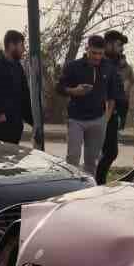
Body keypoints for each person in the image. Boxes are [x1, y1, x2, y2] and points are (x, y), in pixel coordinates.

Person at [57, 35, 113, 173]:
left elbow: (114, 94)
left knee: (91, 161)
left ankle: (89, 191)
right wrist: (74, 91)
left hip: (98, 119)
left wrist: (106, 118)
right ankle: (70, 190)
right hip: (76, 119)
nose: (97, 57)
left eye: (100, 54)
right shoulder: (73, 66)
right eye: (94, 53)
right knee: (73, 158)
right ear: (87, 48)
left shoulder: (108, 67)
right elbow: (59, 88)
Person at [0, 31, 33, 144]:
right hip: (1, 128)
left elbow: (24, 96)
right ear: (11, 45)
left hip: (16, 127)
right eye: (21, 45)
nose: (23, 49)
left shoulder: (17, 67)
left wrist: (34, 121)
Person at [94, 30, 131, 184]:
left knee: (110, 152)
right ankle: (97, 181)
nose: (121, 48)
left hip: (114, 114)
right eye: (119, 45)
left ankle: (99, 180)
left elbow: (121, 90)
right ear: (108, 44)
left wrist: (122, 113)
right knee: (105, 152)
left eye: (122, 46)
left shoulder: (119, 64)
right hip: (101, 113)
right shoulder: (100, 62)